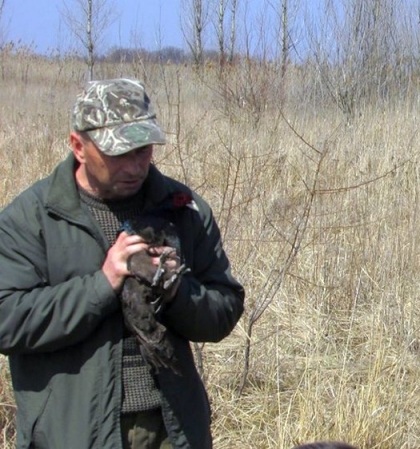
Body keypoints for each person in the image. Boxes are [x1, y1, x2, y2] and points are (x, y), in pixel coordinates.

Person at [0, 78, 245, 448]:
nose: (135, 166)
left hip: (174, 430)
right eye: (118, 153)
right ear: (78, 146)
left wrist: (177, 290)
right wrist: (102, 284)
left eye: (143, 150)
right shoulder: (30, 218)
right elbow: (7, 321)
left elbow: (223, 311)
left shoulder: (183, 209)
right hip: (73, 433)